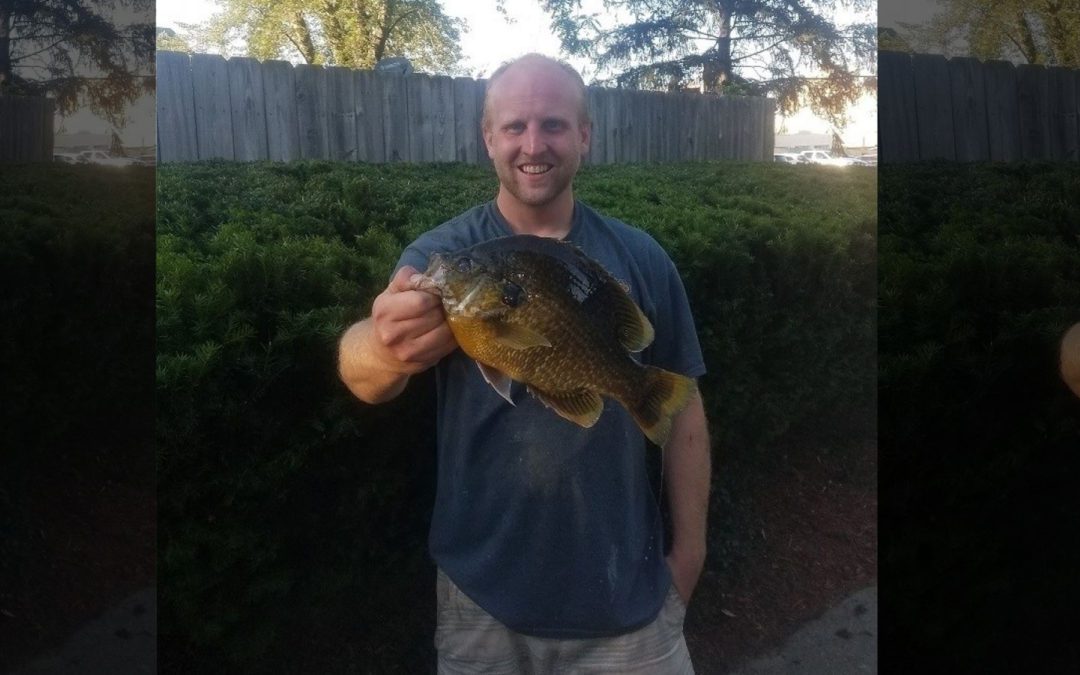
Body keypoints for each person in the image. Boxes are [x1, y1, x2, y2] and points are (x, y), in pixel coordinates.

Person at [338, 53, 711, 673]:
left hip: (630, 600)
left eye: (554, 125)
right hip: (481, 603)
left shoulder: (641, 257)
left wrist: (689, 557)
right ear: (489, 139)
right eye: (513, 127)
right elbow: (364, 374)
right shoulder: (444, 255)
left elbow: (686, 408)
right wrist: (379, 347)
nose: (532, 144)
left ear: (585, 136)